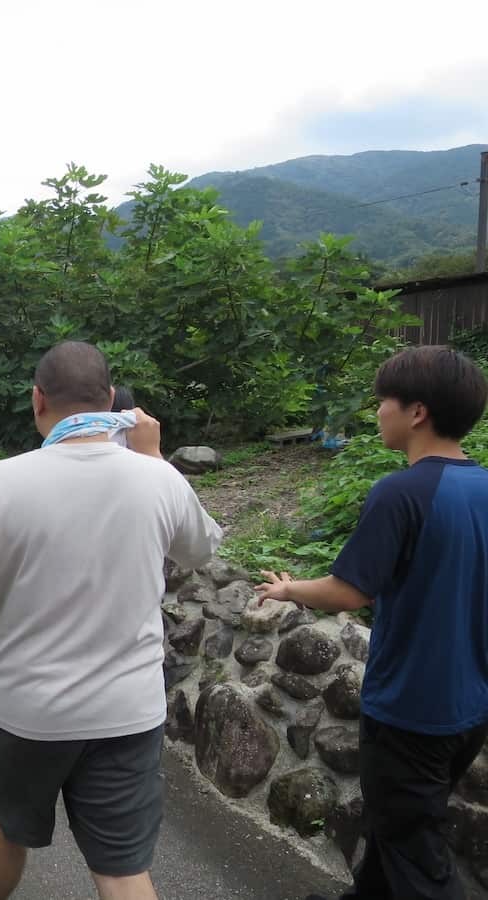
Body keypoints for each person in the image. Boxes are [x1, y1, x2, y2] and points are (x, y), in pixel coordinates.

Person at [0, 341, 222, 900]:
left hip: (23, 710)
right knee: (119, 868)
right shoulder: (156, 480)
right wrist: (155, 458)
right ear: (111, 400)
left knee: (6, 827)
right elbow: (202, 549)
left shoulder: (1, 481)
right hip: (126, 712)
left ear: (37, 400)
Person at [256, 346, 488, 900]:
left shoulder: (401, 492)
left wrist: (287, 588)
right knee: (398, 828)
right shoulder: (481, 487)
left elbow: (349, 591)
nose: (377, 411)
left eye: (383, 400)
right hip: (469, 709)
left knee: (415, 852)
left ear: (416, 413)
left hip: (411, 710)